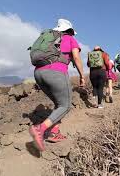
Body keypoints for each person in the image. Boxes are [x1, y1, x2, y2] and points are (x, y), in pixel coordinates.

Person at [29, 19, 85, 151]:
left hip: (38, 73)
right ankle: (40, 129)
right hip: (56, 72)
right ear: (69, 31)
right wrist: (82, 76)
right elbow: (76, 57)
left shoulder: (49, 38)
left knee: (59, 104)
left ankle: (54, 133)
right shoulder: (70, 38)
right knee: (65, 106)